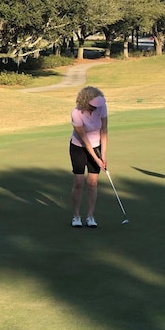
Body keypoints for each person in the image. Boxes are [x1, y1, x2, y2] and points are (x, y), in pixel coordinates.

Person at [69, 86, 108, 227]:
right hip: (78, 147)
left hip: (97, 146)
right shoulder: (76, 113)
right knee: (79, 182)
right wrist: (96, 159)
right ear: (85, 102)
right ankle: (76, 216)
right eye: (92, 106)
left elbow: (104, 130)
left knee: (93, 183)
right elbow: (84, 140)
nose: (95, 109)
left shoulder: (102, 107)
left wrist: (103, 154)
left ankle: (90, 216)